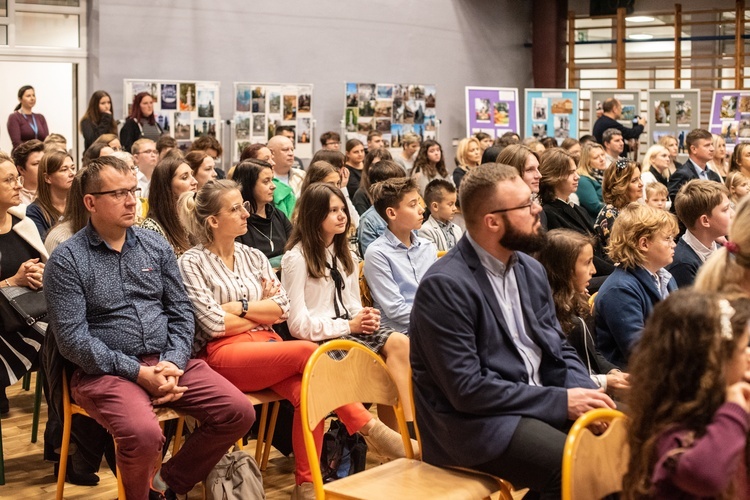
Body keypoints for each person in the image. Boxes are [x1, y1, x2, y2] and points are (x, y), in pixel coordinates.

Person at [178, 179, 411, 499]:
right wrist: (260, 309)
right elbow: (212, 323)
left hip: (269, 345)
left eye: (244, 206)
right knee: (308, 353)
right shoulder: (191, 262)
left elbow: (282, 309)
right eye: (235, 209)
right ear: (213, 221)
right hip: (224, 355)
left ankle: (307, 485)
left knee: (308, 391)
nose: (246, 214)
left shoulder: (253, 257)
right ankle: (370, 429)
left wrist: (241, 308)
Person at [44, 156, 254, 499]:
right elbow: (73, 341)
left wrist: (172, 361)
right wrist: (139, 374)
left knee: (237, 412)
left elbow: (181, 311)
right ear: (90, 202)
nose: (131, 200)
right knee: (144, 434)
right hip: (103, 372)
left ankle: (165, 484)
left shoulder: (153, 245)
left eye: (132, 190)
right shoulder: (68, 260)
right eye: (118, 194)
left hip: (166, 360)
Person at [410, 163, 614, 498]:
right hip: (475, 423)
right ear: (493, 221)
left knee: (619, 449)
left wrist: (586, 397)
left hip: (533, 400)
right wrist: (561, 402)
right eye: (526, 204)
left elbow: (559, 348)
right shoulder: (445, 286)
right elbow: (467, 389)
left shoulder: (530, 268)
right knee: (574, 465)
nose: (538, 209)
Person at [281, 183, 415, 425]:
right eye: (333, 210)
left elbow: (352, 305)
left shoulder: (346, 255)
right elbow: (298, 326)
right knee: (374, 365)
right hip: (320, 339)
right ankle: (383, 436)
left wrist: (364, 316)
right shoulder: (296, 258)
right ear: (314, 214)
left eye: (343, 208)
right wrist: (350, 325)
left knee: (399, 342)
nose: (342, 215)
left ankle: (408, 428)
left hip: (347, 330)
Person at [622, 291, 750, 499]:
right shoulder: (671, 434)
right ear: (714, 364)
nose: (749, 356)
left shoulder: (718, 407)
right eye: (744, 349)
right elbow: (707, 476)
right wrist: (735, 408)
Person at [535, 229, 628, 396]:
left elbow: (593, 351)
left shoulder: (576, 300)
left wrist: (612, 372)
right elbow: (557, 374)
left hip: (593, 385)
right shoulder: (546, 312)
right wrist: (604, 382)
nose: (593, 270)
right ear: (564, 269)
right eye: (587, 263)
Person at [595, 203, 678, 369]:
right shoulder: (620, 290)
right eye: (667, 238)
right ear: (644, 244)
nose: (674, 244)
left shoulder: (666, 278)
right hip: (639, 382)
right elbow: (640, 352)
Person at [0, 151, 47, 414]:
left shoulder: (23, 224)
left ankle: (61, 434)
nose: (19, 185)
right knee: (56, 342)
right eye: (9, 180)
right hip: (5, 326)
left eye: (17, 178)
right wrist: (12, 281)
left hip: (29, 316)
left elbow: (44, 270)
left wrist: (39, 276)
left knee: (65, 340)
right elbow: (14, 280)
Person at [364, 177, 436, 334]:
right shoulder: (377, 253)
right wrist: (436, 321)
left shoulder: (428, 247)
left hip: (432, 325)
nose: (421, 209)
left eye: (419, 202)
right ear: (391, 213)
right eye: (412, 205)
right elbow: (395, 309)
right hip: (401, 333)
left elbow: (438, 294)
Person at [667, 180, 733, 288]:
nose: (733, 213)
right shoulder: (683, 264)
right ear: (705, 221)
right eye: (725, 209)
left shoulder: (721, 247)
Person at [232, 159, 293, 267]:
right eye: (266, 181)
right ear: (249, 185)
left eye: (272, 180)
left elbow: (296, 249)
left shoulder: (278, 215)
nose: (273, 186)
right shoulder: (238, 222)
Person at [140, 155, 197, 257]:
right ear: (167, 186)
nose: (194, 182)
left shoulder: (194, 216)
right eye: (185, 177)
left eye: (192, 175)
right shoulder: (151, 228)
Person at [25, 151, 76, 241]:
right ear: (47, 178)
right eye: (64, 170)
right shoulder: (34, 212)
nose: (72, 173)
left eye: (73, 168)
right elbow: (46, 248)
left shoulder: (79, 204)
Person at [595, 158, 644, 250]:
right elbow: (618, 254)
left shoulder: (636, 207)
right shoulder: (610, 214)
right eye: (634, 181)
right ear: (620, 185)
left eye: (640, 178)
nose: (641, 184)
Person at [668, 129, 723, 209]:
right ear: (694, 149)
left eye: (712, 144)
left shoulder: (714, 176)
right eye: (707, 145)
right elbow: (679, 208)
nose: (712, 149)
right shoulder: (681, 175)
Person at [418, 179, 463, 251]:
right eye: (450, 204)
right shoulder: (426, 230)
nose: (454, 208)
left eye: (454, 203)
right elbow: (433, 258)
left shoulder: (457, 229)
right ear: (435, 206)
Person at [352, 148, 392, 215]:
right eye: (375, 165)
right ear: (368, 168)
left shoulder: (395, 191)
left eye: (383, 165)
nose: (379, 169)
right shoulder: (361, 195)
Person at [8, 85, 49, 150]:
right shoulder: (14, 117)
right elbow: (16, 143)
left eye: (33, 95)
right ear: (20, 99)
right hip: (22, 155)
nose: (32, 98)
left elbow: (47, 140)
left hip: (40, 154)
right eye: (28, 96)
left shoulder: (40, 117)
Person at [268, 134, 305, 204]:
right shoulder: (265, 179)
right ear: (272, 153)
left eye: (292, 150)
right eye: (285, 150)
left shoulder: (302, 176)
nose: (291, 153)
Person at [575, 143, 607, 219]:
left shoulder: (604, 175)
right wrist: (618, 207)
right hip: (594, 222)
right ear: (587, 161)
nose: (602, 159)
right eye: (596, 157)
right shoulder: (583, 180)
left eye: (602, 155)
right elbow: (595, 206)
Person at [11, 139, 45, 205]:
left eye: (44, 162)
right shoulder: (14, 197)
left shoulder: (55, 192)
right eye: (36, 164)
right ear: (21, 169)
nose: (43, 167)